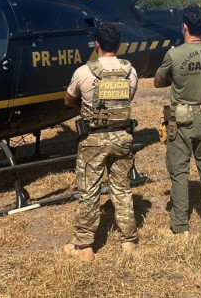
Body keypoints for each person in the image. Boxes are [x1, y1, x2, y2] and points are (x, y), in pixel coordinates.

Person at [63, 24, 139, 261]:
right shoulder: (130, 71)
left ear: (96, 44)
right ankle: (129, 241)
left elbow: (68, 101)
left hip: (94, 140)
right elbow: (129, 98)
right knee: (122, 189)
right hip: (123, 138)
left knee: (89, 192)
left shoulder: (84, 72)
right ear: (118, 45)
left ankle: (84, 246)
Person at [154, 4, 201, 236]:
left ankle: (179, 226)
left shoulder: (174, 54)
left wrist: (176, 81)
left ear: (184, 26)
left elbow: (158, 81)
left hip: (181, 119)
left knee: (179, 172)